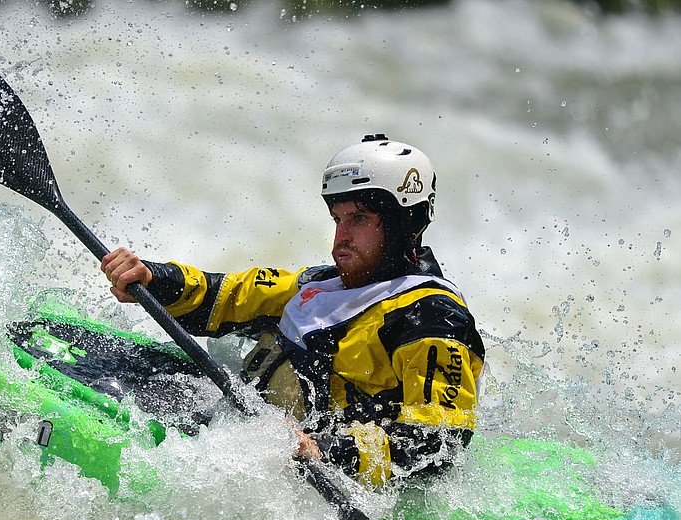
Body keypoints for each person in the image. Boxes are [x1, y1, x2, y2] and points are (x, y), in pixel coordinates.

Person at [101, 134, 485, 486]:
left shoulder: (433, 318)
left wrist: (327, 449)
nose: (341, 237)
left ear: (405, 224)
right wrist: (154, 278)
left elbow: (437, 445)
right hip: (241, 431)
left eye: (360, 219)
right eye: (337, 219)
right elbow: (227, 296)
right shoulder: (319, 284)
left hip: (314, 473)